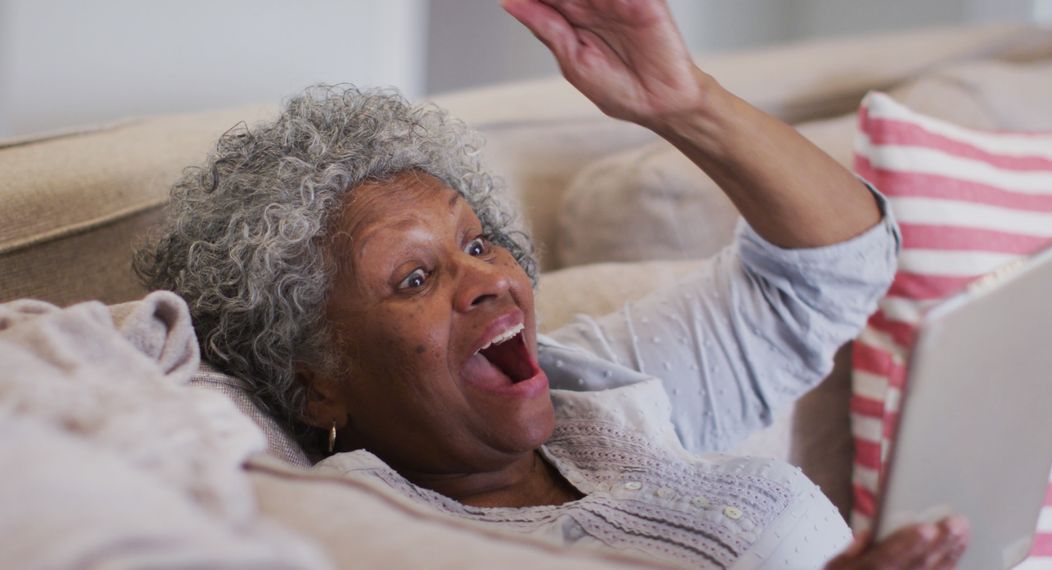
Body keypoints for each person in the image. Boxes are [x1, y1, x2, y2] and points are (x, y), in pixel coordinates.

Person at [135, 0, 969, 567]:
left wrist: (685, 103)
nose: (487, 281)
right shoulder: (378, 532)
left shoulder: (592, 397)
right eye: (415, 277)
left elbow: (830, 270)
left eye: (480, 241)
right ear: (316, 385)